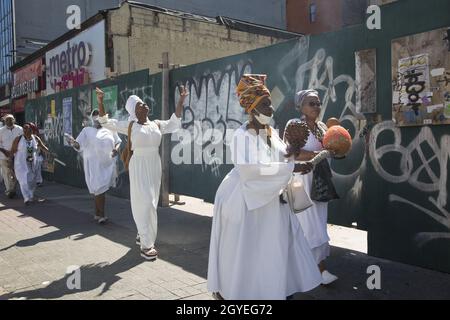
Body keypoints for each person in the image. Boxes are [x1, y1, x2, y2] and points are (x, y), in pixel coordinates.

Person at [207, 75, 322, 300]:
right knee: (245, 251)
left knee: (273, 250)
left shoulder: (271, 132)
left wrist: (296, 160)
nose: (271, 109)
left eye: (270, 103)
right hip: (245, 201)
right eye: (265, 104)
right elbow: (252, 171)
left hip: (271, 200)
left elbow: (281, 159)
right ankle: (235, 292)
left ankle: (273, 290)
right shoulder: (241, 136)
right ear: (251, 107)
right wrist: (292, 170)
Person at [96, 86, 188, 260]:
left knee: (152, 203)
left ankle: (142, 233)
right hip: (138, 164)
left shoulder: (156, 124)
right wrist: (100, 102)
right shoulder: (130, 126)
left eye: (144, 103)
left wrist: (181, 101)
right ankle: (147, 245)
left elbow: (174, 122)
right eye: (139, 104)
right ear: (134, 111)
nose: (144, 105)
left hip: (154, 164)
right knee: (143, 202)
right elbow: (105, 122)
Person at [285, 89, 338, 285]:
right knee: (305, 226)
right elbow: (291, 154)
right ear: (300, 106)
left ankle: (318, 269)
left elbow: (333, 150)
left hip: (320, 182)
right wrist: (321, 151)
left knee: (318, 224)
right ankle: (306, 269)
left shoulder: (322, 127)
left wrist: (338, 144)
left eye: (318, 103)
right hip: (301, 181)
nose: (316, 107)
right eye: (311, 103)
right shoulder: (295, 125)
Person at [67, 109, 122, 224]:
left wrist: (115, 150)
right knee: (98, 189)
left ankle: (98, 214)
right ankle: (100, 214)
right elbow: (78, 145)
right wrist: (72, 142)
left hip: (107, 164)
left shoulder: (110, 129)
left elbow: (118, 142)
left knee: (100, 190)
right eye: (95, 116)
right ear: (92, 118)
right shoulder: (87, 130)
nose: (97, 118)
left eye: (99, 116)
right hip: (93, 165)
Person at [10, 123, 49, 205]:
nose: (25, 130)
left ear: (31, 130)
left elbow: (42, 147)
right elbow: (12, 151)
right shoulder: (18, 139)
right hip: (20, 164)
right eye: (24, 128)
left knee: (32, 181)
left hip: (32, 163)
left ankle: (30, 195)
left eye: (27, 128)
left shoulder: (36, 138)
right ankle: (26, 198)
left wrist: (49, 152)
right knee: (23, 180)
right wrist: (10, 163)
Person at [0, 114, 23, 198]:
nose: (9, 121)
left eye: (10, 119)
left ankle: (12, 189)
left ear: (14, 120)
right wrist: (5, 152)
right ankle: (9, 190)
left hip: (17, 156)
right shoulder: (1, 130)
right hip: (4, 155)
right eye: (7, 120)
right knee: (6, 173)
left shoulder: (20, 129)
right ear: (4, 121)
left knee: (17, 173)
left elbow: (22, 141)